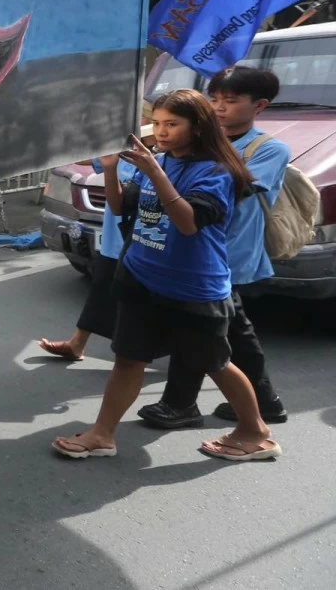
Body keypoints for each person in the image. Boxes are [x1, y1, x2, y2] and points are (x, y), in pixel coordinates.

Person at [52, 89, 282, 462]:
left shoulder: (215, 172)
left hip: (193, 288)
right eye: (157, 123)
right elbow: (118, 205)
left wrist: (156, 172)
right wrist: (111, 168)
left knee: (215, 364)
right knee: (128, 359)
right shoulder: (161, 161)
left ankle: (256, 431)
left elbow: (189, 223)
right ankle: (102, 434)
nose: (161, 132)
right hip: (143, 279)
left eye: (172, 124)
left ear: (198, 127)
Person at [138, 67, 291, 429]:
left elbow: (235, 190)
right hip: (196, 252)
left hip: (228, 253)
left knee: (202, 327)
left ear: (260, 106)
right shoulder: (194, 144)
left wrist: (196, 158)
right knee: (231, 328)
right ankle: (264, 401)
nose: (220, 108)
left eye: (231, 101)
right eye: (215, 99)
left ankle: (180, 404)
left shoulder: (267, 149)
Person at [38, 157, 138, 361]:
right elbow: (90, 160)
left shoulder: (161, 159)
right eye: (153, 122)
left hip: (141, 246)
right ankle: (77, 344)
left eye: (168, 123)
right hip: (113, 241)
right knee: (101, 290)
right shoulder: (122, 153)